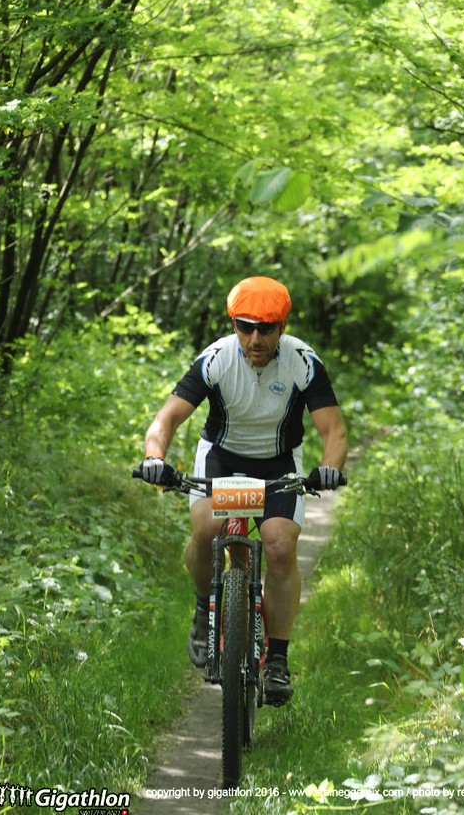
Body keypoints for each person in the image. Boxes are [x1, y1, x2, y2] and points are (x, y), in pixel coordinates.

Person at [140, 276, 348, 705]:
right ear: (233, 323)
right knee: (206, 532)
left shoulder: (303, 362)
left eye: (266, 328)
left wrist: (329, 469)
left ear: (283, 327)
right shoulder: (215, 359)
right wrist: (155, 458)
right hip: (222, 459)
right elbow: (166, 420)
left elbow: (334, 430)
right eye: (245, 326)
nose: (255, 338)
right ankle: (204, 606)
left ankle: (277, 661)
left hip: (278, 464)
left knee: (278, 546)